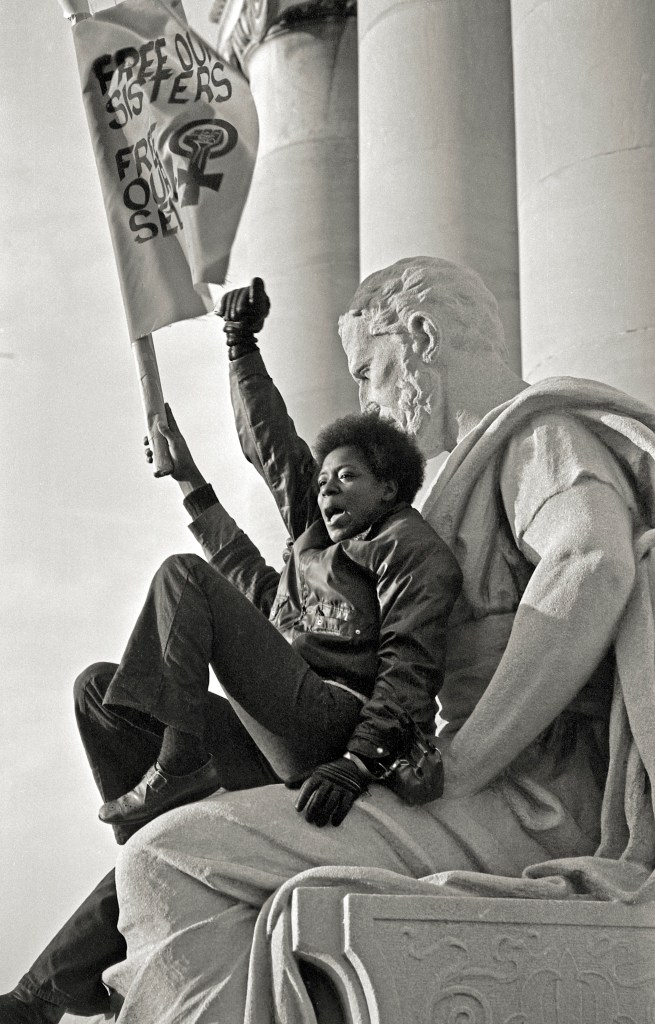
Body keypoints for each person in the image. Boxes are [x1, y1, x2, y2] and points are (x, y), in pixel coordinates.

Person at [93, 257, 655, 1024]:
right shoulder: (442, 486)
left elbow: (590, 560)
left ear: (421, 336)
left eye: (368, 372)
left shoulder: (536, 436)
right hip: (474, 779)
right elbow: (280, 473)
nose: (369, 401)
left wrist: (462, 761)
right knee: (166, 841)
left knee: (174, 859)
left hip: (533, 795)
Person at [0, 278, 461, 1024]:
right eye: (327, 481)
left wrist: (359, 759)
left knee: (184, 580)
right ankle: (42, 995)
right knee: (98, 689)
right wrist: (227, 373)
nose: (329, 491)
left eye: (349, 478)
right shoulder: (303, 564)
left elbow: (412, 668)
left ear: (389, 488)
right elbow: (267, 463)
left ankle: (178, 763)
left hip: (334, 727)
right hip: (272, 729)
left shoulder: (405, 546)